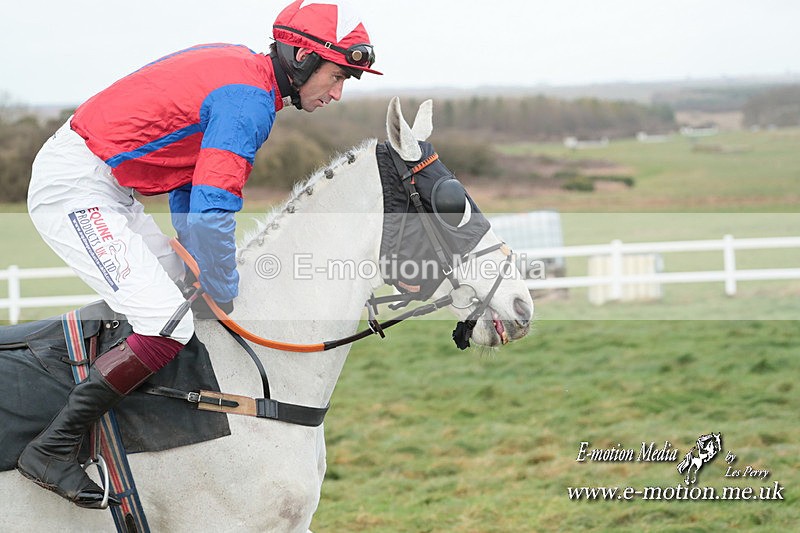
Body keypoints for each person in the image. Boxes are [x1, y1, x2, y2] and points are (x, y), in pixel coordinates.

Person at [18, 0, 381, 509]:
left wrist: (199, 265)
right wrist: (223, 284)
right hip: (75, 188)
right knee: (166, 321)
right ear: (301, 58)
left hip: (108, 189)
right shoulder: (249, 99)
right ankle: (51, 448)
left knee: (180, 304)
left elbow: (191, 185)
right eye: (338, 75)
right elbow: (213, 205)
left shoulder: (251, 80)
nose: (338, 93)